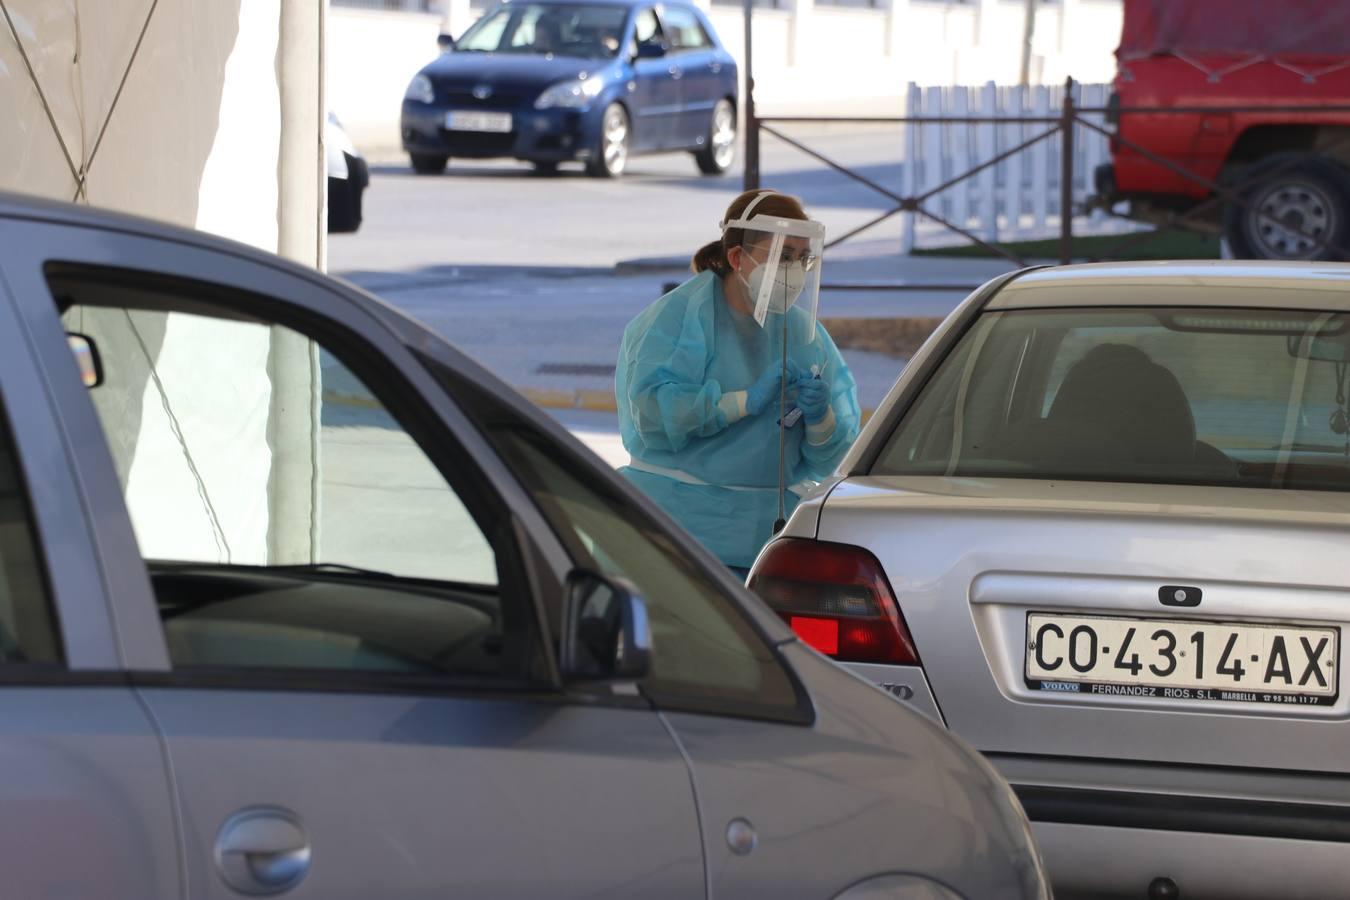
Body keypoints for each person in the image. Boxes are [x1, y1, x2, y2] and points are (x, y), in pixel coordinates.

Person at [615, 189, 861, 578]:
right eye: (781, 255)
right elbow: (654, 415)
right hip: (680, 529)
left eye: (802, 258)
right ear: (736, 258)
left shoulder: (800, 331)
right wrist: (743, 401)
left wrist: (821, 418)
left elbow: (833, 458)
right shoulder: (679, 319)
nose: (794, 269)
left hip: (770, 539)